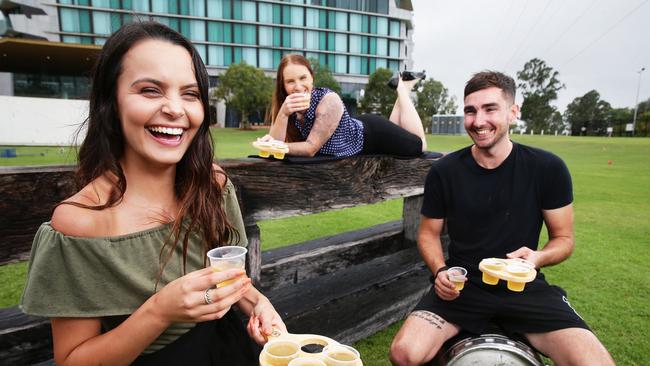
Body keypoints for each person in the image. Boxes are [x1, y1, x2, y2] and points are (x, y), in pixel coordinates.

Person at [20, 21, 285, 365]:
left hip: (230, 348)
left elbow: (233, 280)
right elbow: (73, 360)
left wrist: (258, 303)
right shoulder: (80, 223)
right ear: (110, 101)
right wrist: (160, 311)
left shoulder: (213, 185)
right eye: (150, 90)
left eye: (189, 94)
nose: (175, 109)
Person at [389, 71, 615, 366]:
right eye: (470, 111)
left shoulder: (547, 168)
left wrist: (537, 257)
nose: (478, 121)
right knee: (404, 353)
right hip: (463, 287)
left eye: (490, 109)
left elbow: (564, 239)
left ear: (513, 112)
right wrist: (441, 270)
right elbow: (428, 234)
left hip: (524, 287)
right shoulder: (445, 171)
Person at [263, 54, 427, 157]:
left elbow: (310, 148)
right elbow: (275, 150)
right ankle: (403, 84)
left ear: (312, 77)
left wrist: (273, 146)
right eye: (290, 81)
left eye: (303, 78)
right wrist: (283, 113)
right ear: (283, 85)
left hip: (373, 134)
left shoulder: (329, 100)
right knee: (400, 127)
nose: (298, 86)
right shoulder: (289, 107)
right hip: (353, 131)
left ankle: (403, 87)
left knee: (420, 146)